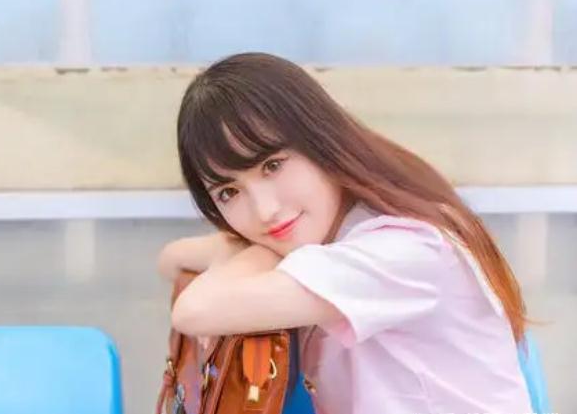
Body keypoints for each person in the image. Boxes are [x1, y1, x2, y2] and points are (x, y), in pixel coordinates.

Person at [157, 52, 533, 414]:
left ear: (320, 140)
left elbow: (194, 310)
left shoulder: (401, 250)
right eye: (229, 192)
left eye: (272, 165)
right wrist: (254, 251)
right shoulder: (334, 236)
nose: (265, 210)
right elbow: (171, 258)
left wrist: (257, 252)